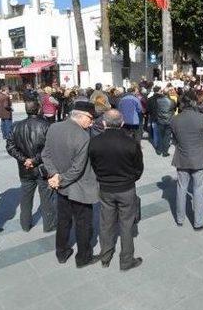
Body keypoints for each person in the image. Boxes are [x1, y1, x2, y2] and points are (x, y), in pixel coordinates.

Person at [42, 102, 100, 268]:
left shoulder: (54, 127)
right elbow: (77, 169)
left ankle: (61, 253)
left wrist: (54, 176)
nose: (92, 121)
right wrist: (58, 178)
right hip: (79, 188)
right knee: (83, 224)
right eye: (90, 118)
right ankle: (83, 258)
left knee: (63, 221)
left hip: (61, 187)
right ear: (79, 115)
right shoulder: (83, 137)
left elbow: (45, 155)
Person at [89, 110, 144, 271]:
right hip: (126, 187)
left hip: (105, 188)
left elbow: (93, 164)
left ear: (104, 124)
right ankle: (126, 260)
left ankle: (105, 256)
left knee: (106, 223)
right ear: (121, 123)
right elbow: (139, 168)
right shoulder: (131, 142)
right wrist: (130, 178)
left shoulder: (94, 142)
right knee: (126, 225)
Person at [6, 101, 56, 232]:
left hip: (27, 168)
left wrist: (27, 160)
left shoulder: (17, 126)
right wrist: (30, 160)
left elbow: (10, 147)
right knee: (46, 198)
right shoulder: (46, 125)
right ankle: (49, 224)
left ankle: (25, 224)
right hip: (40, 167)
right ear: (39, 109)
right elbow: (49, 148)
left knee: (26, 197)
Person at [170, 92, 203, 230]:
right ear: (194, 102)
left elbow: (175, 139)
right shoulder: (202, 117)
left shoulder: (175, 119)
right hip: (199, 157)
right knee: (198, 190)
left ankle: (180, 218)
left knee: (181, 188)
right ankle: (198, 221)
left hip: (182, 156)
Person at [154, 89, 176, 157]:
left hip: (160, 120)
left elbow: (156, 109)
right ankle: (165, 152)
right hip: (169, 120)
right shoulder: (172, 101)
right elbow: (174, 109)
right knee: (167, 137)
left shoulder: (158, 101)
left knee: (160, 136)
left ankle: (159, 150)